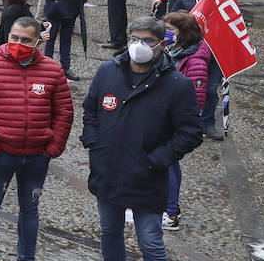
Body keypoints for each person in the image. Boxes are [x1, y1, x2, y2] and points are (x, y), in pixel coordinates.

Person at [82, 16, 203, 261]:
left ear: (162, 44)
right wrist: (94, 142)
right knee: (109, 231)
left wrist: (158, 159)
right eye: (135, 39)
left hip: (146, 177)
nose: (140, 45)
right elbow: (91, 110)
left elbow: (191, 133)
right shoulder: (107, 71)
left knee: (150, 241)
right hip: (108, 171)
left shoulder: (177, 85)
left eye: (148, 40)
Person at [0, 16, 73, 261]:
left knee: (30, 211)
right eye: (14, 38)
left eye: (26, 40)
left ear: (39, 41)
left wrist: (52, 148)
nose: (18, 43)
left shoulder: (53, 70)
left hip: (37, 156)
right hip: (1, 154)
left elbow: (64, 112)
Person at [161, 12, 210, 231]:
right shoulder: (175, 51)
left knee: (168, 163)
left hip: (175, 121)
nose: (166, 34)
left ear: (184, 33)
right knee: (171, 164)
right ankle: (170, 208)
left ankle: (170, 214)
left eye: (170, 30)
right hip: (166, 116)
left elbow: (195, 99)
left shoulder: (195, 60)